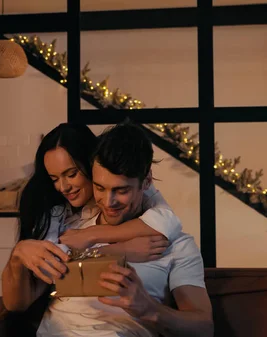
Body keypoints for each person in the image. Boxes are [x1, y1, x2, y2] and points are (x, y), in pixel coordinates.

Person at [34, 123, 213, 337]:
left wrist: (148, 308)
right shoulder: (70, 223)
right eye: (100, 188)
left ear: (146, 181)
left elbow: (204, 328)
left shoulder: (173, 244)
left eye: (121, 190)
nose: (108, 202)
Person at [2, 123, 182, 312]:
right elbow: (23, 298)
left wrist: (95, 235)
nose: (63, 187)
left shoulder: (130, 194)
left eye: (71, 174)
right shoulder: (58, 215)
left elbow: (167, 221)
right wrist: (18, 254)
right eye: (54, 179)